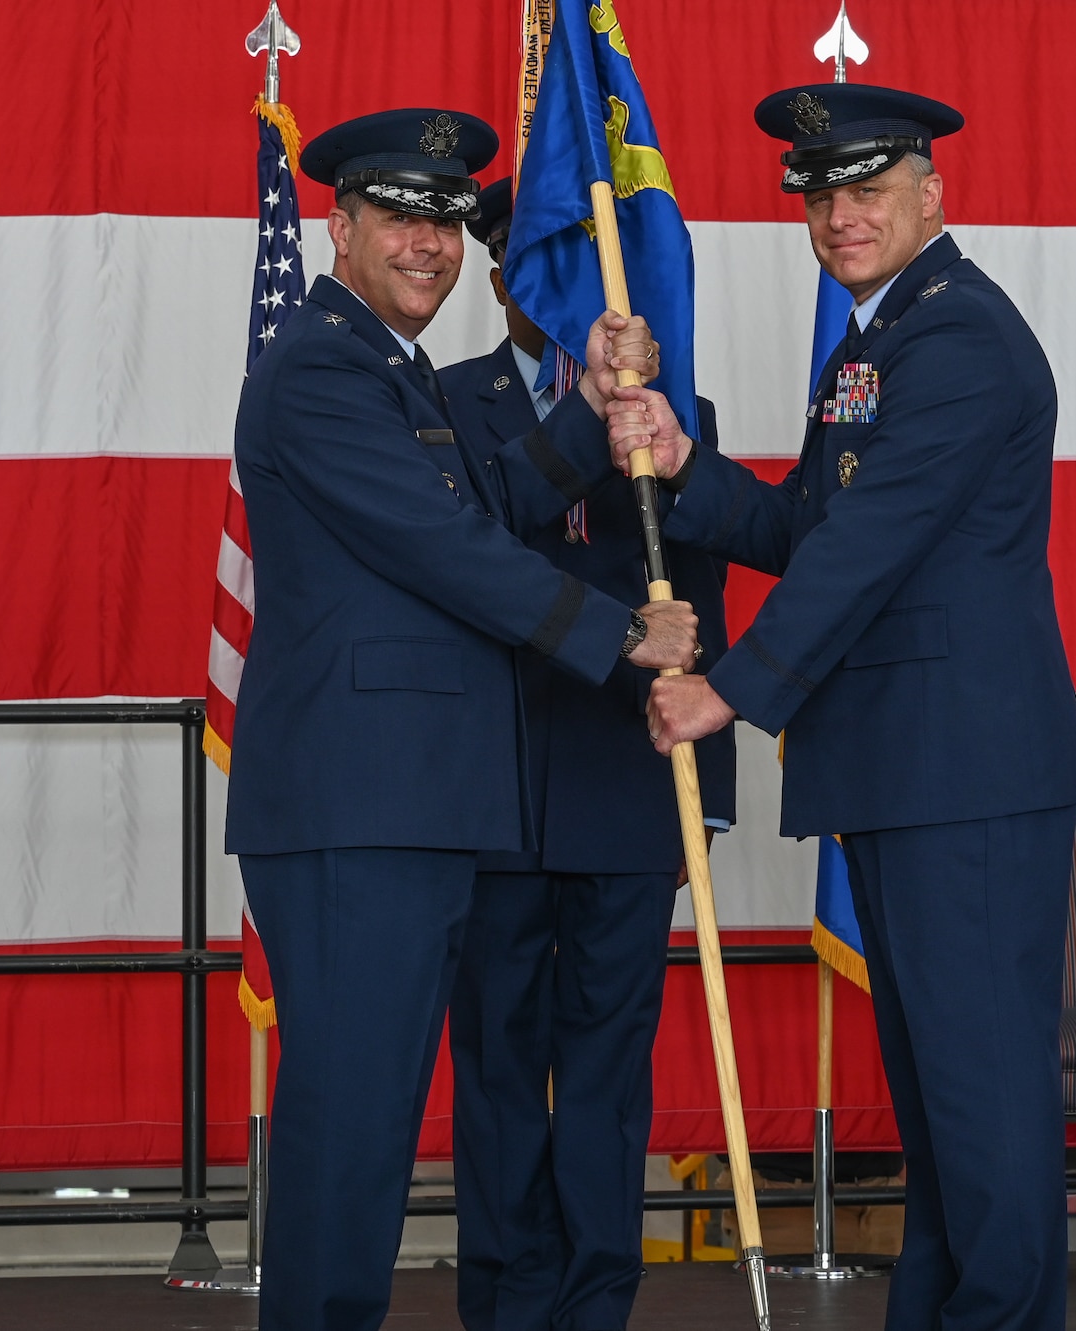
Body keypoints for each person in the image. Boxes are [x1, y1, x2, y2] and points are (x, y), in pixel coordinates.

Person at [611, 83, 1076, 1331]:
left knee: (981, 1098)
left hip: (966, 774)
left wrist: (733, 685)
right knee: (943, 1102)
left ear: (933, 191)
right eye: (821, 194)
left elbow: (871, 542)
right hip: (909, 768)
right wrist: (684, 463)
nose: (840, 214)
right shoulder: (880, 341)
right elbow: (807, 525)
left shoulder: (959, 338)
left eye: (867, 188)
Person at [226, 108, 694, 1331]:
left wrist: (593, 406)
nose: (430, 243)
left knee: (372, 1115)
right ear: (338, 224)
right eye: (400, 216)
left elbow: (493, 497)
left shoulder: (388, 367)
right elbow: (444, 549)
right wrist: (619, 636)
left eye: (444, 219)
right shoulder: (324, 366)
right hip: (355, 806)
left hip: (406, 806)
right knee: (354, 1118)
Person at [439, 177, 737, 1330]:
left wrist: (699, 803)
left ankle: (596, 1299)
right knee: (500, 1066)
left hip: (628, 783)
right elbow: (475, 556)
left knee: (608, 1072)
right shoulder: (447, 402)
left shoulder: (672, 407)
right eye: (527, 269)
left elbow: (698, 604)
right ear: (504, 278)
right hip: (497, 784)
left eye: (570, 268)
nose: (544, 290)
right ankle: (508, 1299)